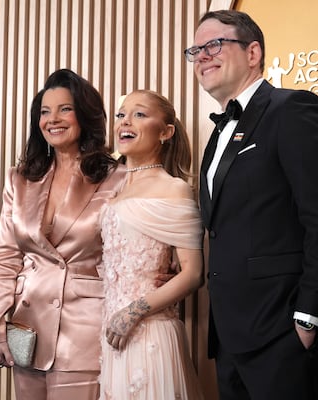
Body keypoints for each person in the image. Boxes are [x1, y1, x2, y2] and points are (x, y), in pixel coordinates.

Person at [185, 10, 318, 400]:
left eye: (214, 44)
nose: (202, 56)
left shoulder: (292, 110)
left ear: (254, 52)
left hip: (283, 331)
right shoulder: (218, 135)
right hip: (230, 337)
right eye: (195, 50)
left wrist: (308, 319)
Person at [0, 69, 126, 399]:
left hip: (84, 332)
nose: (53, 119)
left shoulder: (116, 177)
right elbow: (5, 261)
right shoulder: (20, 179)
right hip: (27, 331)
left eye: (64, 109)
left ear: (84, 115)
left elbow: (127, 255)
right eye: (45, 111)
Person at [98, 90, 205, 399]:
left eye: (139, 114)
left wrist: (133, 313)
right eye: (121, 115)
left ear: (166, 132)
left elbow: (193, 274)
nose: (125, 122)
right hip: (112, 338)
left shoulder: (174, 189)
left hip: (150, 333)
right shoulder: (113, 190)